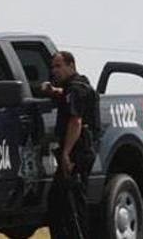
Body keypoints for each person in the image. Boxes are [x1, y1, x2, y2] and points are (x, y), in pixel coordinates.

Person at [41, 51, 99, 239]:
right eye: (53, 67)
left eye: (59, 66)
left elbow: (76, 122)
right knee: (59, 201)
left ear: (71, 66)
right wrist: (53, 91)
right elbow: (67, 95)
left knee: (71, 205)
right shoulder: (79, 85)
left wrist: (66, 153)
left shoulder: (75, 89)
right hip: (82, 150)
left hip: (77, 152)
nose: (54, 71)